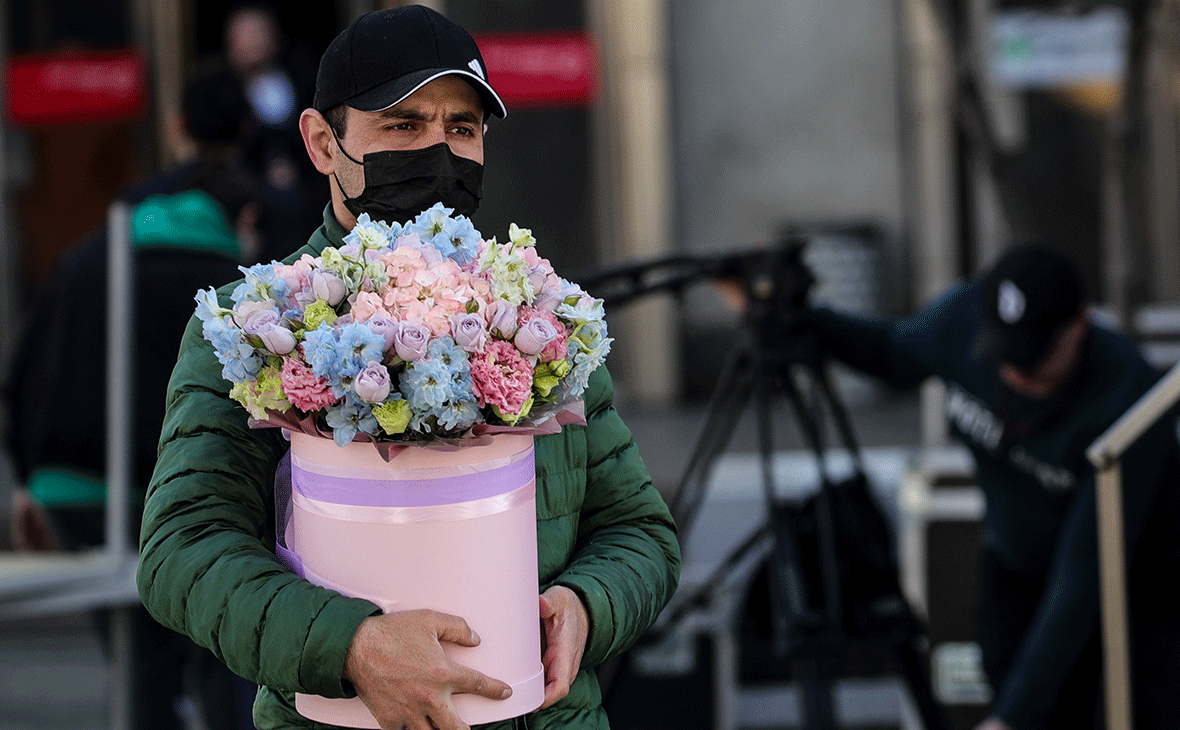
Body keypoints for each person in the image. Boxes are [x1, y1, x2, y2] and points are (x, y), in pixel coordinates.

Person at [135, 6, 682, 730]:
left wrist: (586, 603)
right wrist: (353, 645)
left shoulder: (546, 318)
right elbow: (182, 551)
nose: (439, 150)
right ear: (322, 143)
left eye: (463, 128)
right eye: (402, 125)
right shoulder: (253, 326)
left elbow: (641, 532)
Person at [806, 244, 1180, 730]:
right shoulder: (958, 322)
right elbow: (890, 352)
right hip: (1015, 564)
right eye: (1006, 354)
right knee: (1005, 676)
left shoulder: (1128, 401)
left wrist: (1011, 719)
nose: (1015, 373)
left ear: (1079, 327)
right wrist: (799, 318)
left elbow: (1083, 575)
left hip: (1131, 581)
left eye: (1035, 357)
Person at [5, 64, 265, 730]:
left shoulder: (94, 255)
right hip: (176, 492)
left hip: (77, 489)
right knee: (218, 649)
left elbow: (30, 371)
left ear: (176, 126)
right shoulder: (235, 286)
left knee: (143, 659)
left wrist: (30, 480)